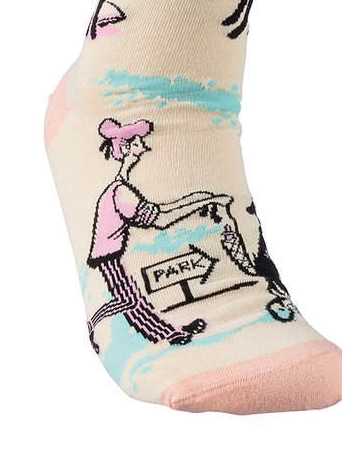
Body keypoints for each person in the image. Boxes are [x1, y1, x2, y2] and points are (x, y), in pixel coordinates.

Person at [86, 117, 232, 353]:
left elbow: (160, 211)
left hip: (113, 252)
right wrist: (202, 202)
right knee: (129, 300)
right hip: (108, 255)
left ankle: (169, 333)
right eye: (138, 142)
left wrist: (200, 199)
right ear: (127, 147)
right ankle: (95, 323)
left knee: (133, 299)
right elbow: (162, 220)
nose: (144, 145)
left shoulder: (122, 189)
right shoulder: (120, 193)